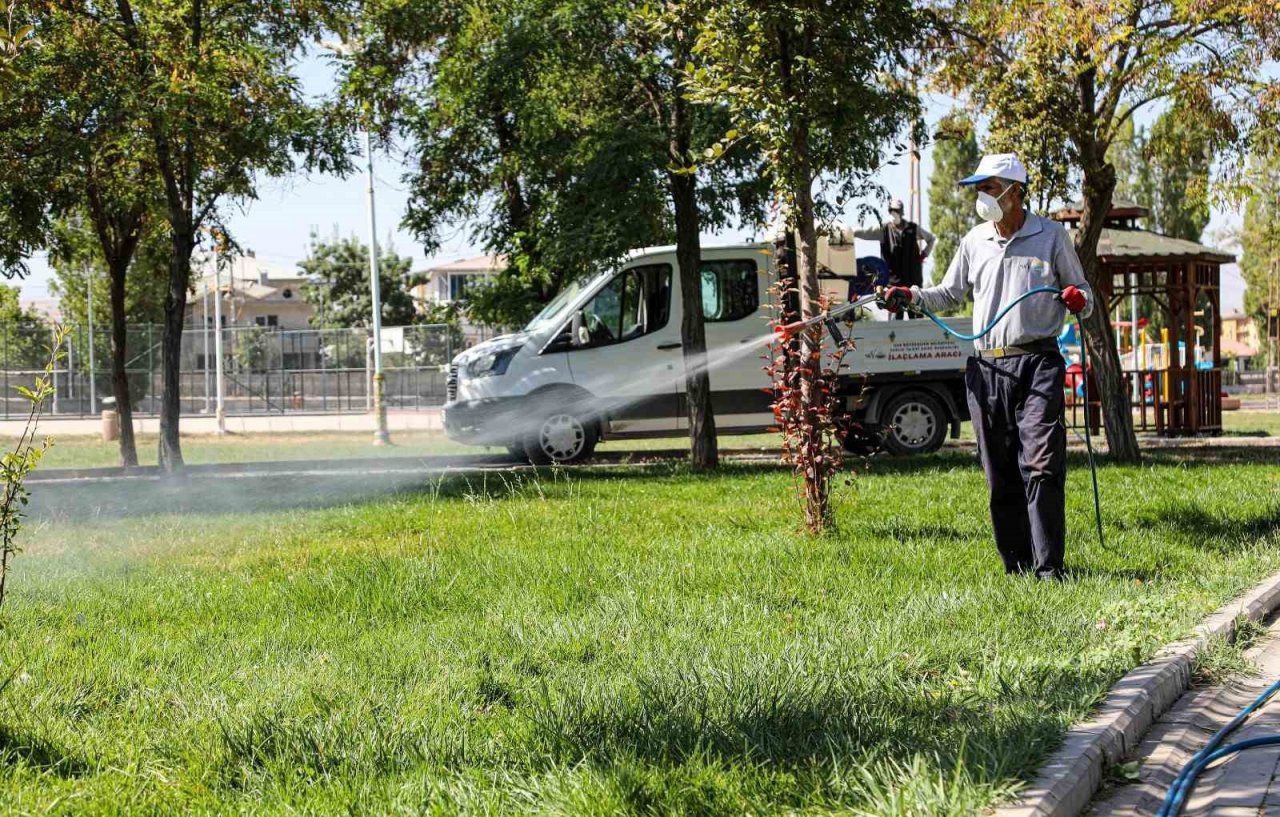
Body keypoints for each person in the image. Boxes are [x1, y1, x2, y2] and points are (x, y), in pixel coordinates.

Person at [878, 153, 1092, 580]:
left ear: (1015, 192)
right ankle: (1017, 566)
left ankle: (1049, 569)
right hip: (987, 369)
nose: (982, 195)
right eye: (979, 188)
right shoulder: (975, 241)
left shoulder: (1051, 236)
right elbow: (949, 294)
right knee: (1000, 473)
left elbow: (1083, 292)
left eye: (990, 187)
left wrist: (1077, 298)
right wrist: (911, 296)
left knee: (1042, 463)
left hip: (1038, 363)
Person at [855, 198, 936, 320]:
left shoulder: (913, 229)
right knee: (894, 318)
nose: (894, 213)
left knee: (917, 319)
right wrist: (849, 232)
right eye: (892, 210)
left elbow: (931, 239)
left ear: (901, 212)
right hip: (893, 285)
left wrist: (923, 255)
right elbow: (864, 232)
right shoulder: (883, 230)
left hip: (912, 283)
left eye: (896, 211)